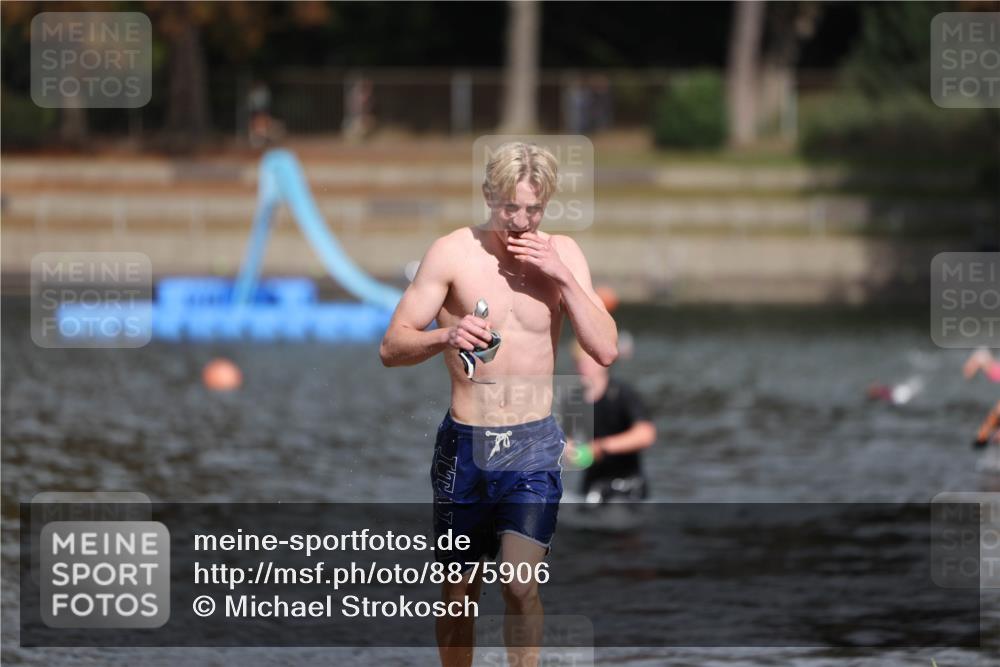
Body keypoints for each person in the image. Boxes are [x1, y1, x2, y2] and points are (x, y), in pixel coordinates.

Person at [379, 142, 617, 667]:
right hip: (465, 444)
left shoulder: (563, 253)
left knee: (518, 584)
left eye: (534, 209)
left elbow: (605, 349)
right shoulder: (452, 253)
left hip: (532, 444)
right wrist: (445, 335)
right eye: (511, 207)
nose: (522, 222)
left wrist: (562, 275)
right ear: (489, 196)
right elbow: (391, 347)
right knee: (458, 594)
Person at [564, 342, 656, 503]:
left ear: (603, 363)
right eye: (578, 362)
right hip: (591, 485)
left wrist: (601, 447)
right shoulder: (573, 401)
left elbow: (646, 434)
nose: (582, 367)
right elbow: (566, 440)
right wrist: (568, 451)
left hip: (627, 484)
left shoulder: (623, 393)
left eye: (587, 362)